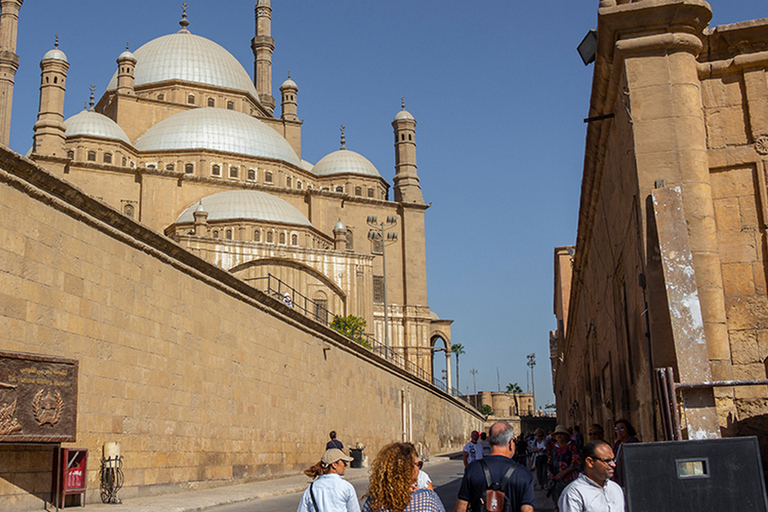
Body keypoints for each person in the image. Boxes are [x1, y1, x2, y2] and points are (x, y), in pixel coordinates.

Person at [454, 421, 534, 512]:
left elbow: (461, 508)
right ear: (511, 444)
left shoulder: (472, 469)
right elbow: (527, 509)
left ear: (489, 443)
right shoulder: (524, 474)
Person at [362, 442, 445, 512]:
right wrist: (422, 494)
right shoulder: (427, 499)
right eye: (418, 464)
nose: (419, 468)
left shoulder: (373, 503)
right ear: (411, 469)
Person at [558, 440, 625, 512]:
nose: (613, 465)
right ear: (590, 462)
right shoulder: (574, 493)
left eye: (613, 460)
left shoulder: (616, 488)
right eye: (607, 461)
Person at [547, 425, 581, 510]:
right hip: (557, 481)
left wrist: (563, 473)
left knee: (570, 504)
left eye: (561, 434)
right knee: (558, 503)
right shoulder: (554, 447)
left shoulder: (572, 446)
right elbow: (549, 462)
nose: (559, 436)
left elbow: (576, 462)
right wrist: (550, 473)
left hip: (570, 480)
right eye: (557, 434)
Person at [611, 419, 639, 487]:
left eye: (622, 428)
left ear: (628, 429)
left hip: (630, 477)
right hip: (618, 477)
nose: (619, 431)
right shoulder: (617, 444)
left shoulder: (632, 442)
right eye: (616, 429)